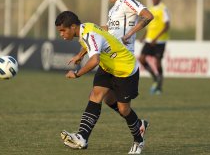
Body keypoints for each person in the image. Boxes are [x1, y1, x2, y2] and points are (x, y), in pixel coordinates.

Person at [68, 0, 153, 131]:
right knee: (104, 97)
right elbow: (106, 31)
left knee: (121, 107)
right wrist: (82, 53)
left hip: (122, 59)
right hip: (109, 58)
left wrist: (130, 33)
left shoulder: (127, 1)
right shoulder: (113, 9)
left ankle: (136, 125)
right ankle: (82, 136)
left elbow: (148, 16)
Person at [55, 11, 147, 154]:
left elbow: (94, 60)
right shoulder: (86, 28)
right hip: (108, 67)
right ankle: (82, 137)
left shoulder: (88, 34)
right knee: (99, 96)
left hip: (125, 69)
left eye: (63, 30)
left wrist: (77, 74)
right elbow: (96, 39)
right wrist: (80, 55)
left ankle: (138, 139)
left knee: (124, 109)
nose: (61, 34)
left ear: (73, 27)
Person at [139, 0, 170, 95]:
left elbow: (167, 26)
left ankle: (159, 86)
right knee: (141, 59)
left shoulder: (163, 8)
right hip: (149, 40)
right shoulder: (151, 9)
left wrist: (156, 38)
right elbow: (149, 26)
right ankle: (156, 78)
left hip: (159, 41)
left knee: (157, 63)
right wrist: (143, 37)